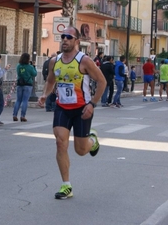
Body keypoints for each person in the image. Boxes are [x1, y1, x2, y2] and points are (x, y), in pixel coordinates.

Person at [38, 26, 106, 200]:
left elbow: (102, 82)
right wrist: (45, 95)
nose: (65, 40)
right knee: (60, 143)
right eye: (63, 37)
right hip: (62, 108)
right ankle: (66, 185)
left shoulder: (84, 61)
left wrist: (92, 104)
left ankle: (92, 140)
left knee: (81, 150)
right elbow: (51, 80)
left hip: (82, 109)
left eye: (69, 37)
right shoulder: (55, 61)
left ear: (77, 41)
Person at [12, 52, 37, 122]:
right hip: (28, 85)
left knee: (18, 100)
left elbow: (18, 73)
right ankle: (22, 116)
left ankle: (14, 115)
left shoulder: (18, 66)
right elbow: (34, 74)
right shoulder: (30, 67)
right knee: (25, 101)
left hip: (20, 84)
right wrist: (34, 66)